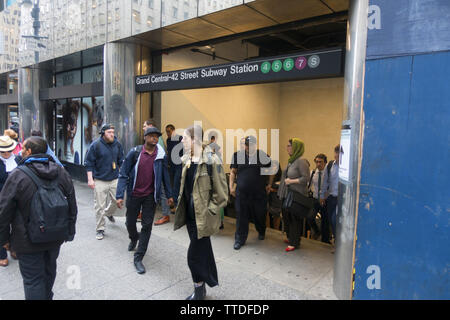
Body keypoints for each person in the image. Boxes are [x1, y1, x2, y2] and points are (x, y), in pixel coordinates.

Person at [0, 136, 77, 300]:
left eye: (23, 149)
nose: (20, 151)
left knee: (33, 281)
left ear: (28, 151)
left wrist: (4, 239)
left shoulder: (18, 175)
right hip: (55, 236)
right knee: (49, 275)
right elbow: (72, 204)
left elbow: (4, 210)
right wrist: (70, 232)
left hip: (26, 240)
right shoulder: (61, 172)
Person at [173, 125, 228, 300]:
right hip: (190, 217)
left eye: (185, 138)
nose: (182, 141)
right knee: (203, 252)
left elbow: (222, 194)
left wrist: (209, 212)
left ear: (195, 140)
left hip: (201, 218)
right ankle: (205, 286)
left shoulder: (212, 160)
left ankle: (198, 291)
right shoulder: (187, 159)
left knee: (193, 257)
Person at [116, 127, 174, 274]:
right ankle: (134, 237)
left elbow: (165, 177)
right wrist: (119, 195)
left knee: (147, 226)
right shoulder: (135, 153)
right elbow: (123, 173)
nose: (155, 139)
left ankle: (138, 257)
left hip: (150, 196)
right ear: (145, 137)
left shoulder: (160, 156)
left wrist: (169, 195)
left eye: (157, 137)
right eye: (152, 136)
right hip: (134, 194)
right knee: (129, 222)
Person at [230, 135, 273, 250]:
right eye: (246, 145)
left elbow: (271, 169)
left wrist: (269, 184)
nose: (247, 147)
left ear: (255, 145)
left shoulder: (262, 155)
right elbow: (233, 172)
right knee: (241, 216)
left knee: (260, 214)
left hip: (258, 194)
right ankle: (239, 239)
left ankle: (261, 230)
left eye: (250, 145)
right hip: (242, 193)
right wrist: (231, 187)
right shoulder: (238, 155)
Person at [84, 124, 124, 240]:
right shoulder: (95, 145)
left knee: (118, 201)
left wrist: (123, 176)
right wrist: (90, 179)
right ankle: (100, 229)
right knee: (99, 206)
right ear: (103, 133)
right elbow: (89, 163)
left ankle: (108, 213)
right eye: (109, 132)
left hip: (114, 178)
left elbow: (121, 161)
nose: (112, 134)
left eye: (113, 132)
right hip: (100, 180)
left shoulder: (117, 144)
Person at [278, 138, 310, 252]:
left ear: (296, 147)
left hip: (297, 195)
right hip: (288, 194)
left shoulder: (302, 161)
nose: (287, 148)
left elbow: (306, 178)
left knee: (294, 219)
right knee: (287, 217)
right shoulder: (292, 160)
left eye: (289, 146)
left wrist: (291, 181)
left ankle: (294, 242)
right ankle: (291, 238)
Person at [142, 120, 172, 226]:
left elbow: (161, 155)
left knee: (163, 191)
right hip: (156, 169)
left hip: (159, 169)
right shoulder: (150, 138)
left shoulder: (155, 140)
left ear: (150, 126)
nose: (143, 128)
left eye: (144, 126)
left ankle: (165, 215)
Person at [0, 135, 20, 267]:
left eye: (8, 150)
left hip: (17, 197)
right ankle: (1, 253)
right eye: (3, 151)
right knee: (2, 225)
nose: (6, 153)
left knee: (17, 224)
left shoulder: (18, 160)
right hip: (1, 198)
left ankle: (13, 247)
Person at [322, 144, 340, 253]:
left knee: (335, 219)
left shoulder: (346, 167)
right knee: (331, 221)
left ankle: (339, 244)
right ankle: (336, 243)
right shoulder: (330, 166)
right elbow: (325, 181)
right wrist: (322, 196)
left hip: (342, 199)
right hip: (331, 197)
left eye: (340, 153)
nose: (337, 155)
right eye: (336, 152)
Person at [307, 154, 328, 241]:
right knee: (310, 217)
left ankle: (325, 240)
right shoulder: (313, 173)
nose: (318, 164)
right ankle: (317, 231)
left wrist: (324, 197)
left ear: (325, 162)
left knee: (325, 222)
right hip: (315, 199)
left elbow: (330, 187)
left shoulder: (328, 174)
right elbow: (308, 185)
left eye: (321, 162)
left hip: (325, 200)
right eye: (317, 162)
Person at [165, 124, 183, 213]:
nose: (167, 133)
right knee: (171, 184)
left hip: (179, 165)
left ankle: (174, 204)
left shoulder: (180, 139)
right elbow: (169, 152)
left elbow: (184, 151)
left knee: (176, 184)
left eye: (169, 131)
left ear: (173, 130)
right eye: (166, 132)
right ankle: (172, 201)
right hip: (171, 165)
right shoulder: (168, 140)